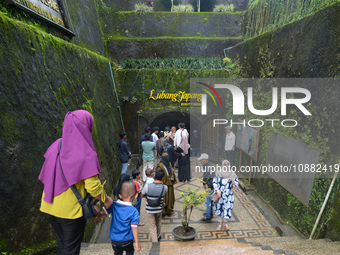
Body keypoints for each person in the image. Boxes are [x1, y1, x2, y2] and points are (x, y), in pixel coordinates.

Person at [39, 110, 113, 255]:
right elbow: (93, 187)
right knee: (70, 249)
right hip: (69, 212)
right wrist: (107, 199)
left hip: (48, 206)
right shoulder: (85, 152)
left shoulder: (56, 145)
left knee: (63, 243)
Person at [95, 181, 141, 254]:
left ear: (120, 195)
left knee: (117, 252)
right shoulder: (134, 211)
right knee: (130, 251)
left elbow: (103, 212)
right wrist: (137, 242)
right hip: (127, 241)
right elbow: (134, 227)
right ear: (135, 196)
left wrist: (98, 217)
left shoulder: (114, 205)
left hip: (114, 240)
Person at [142, 169, 168, 242]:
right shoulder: (165, 188)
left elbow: (142, 195)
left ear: (154, 175)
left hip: (149, 209)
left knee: (152, 226)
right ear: (162, 178)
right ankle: (158, 235)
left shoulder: (147, 186)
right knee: (158, 222)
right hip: (159, 209)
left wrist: (146, 197)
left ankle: (155, 242)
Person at [213, 160, 239, 231]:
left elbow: (237, 184)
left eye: (228, 164)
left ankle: (226, 223)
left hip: (228, 195)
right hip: (220, 195)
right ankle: (220, 224)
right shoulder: (218, 173)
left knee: (227, 209)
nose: (226, 166)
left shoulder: (232, 173)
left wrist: (232, 180)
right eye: (225, 164)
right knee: (219, 208)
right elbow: (214, 182)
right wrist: (217, 190)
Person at [197, 153, 215, 223]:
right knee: (210, 201)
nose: (201, 161)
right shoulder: (206, 166)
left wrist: (207, 184)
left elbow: (213, 177)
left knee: (208, 202)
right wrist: (204, 181)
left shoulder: (209, 167)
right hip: (208, 186)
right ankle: (209, 213)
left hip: (210, 187)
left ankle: (208, 217)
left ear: (205, 160)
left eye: (202, 160)